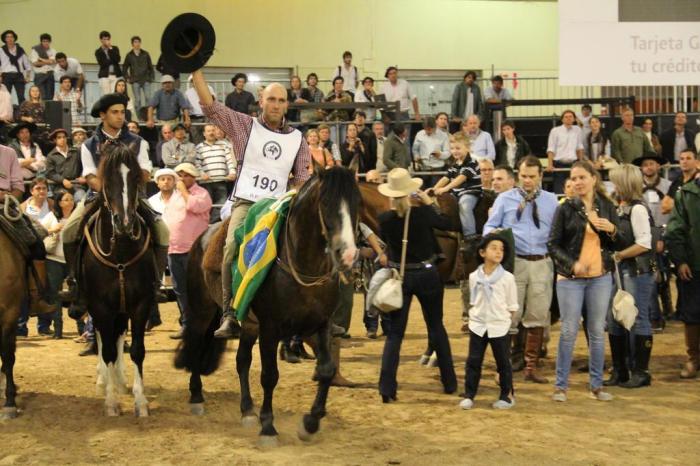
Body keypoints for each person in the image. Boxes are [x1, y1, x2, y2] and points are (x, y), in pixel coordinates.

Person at [190, 71, 311, 338]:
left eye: (281, 100)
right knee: (232, 246)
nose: (276, 105)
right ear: (261, 102)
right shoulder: (244, 125)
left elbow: (302, 179)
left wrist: (295, 198)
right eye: (271, 99)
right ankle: (230, 313)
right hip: (246, 202)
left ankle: (315, 313)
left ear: (287, 105)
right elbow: (210, 105)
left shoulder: (298, 140)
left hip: (279, 206)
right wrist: (196, 71)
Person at [58, 93, 167, 313]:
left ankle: (156, 282)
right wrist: (110, 193)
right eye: (115, 112)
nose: (120, 117)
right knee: (68, 231)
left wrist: (128, 189)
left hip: (134, 197)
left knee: (162, 231)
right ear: (102, 115)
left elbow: (145, 171)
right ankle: (75, 282)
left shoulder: (138, 142)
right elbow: (89, 176)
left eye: (122, 112)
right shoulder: (89, 144)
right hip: (97, 196)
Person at [377, 168, 457, 402]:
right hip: (427, 273)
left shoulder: (385, 220)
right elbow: (447, 222)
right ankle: (450, 382)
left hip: (401, 277)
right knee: (436, 327)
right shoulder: (422, 214)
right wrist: (429, 201)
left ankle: (386, 389)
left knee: (394, 335)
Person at [547, 160, 619, 402]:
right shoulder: (565, 208)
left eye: (581, 177)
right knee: (568, 331)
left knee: (597, 332)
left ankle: (596, 386)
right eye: (573, 178)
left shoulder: (607, 206)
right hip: (570, 280)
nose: (577, 182)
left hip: (600, 278)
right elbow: (552, 244)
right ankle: (560, 387)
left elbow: (617, 242)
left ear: (593, 179)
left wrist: (613, 230)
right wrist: (572, 264)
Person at [484, 156, 559, 383]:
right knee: (509, 315)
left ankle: (531, 367)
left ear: (540, 176)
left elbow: (558, 230)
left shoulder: (552, 200)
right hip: (514, 263)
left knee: (537, 315)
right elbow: (489, 226)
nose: (527, 180)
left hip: (543, 263)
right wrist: (493, 235)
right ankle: (504, 367)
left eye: (532, 176)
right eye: (524, 176)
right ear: (518, 175)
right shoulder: (504, 199)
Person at [605, 164, 655, 388]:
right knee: (614, 319)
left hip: (636, 271)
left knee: (637, 318)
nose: (613, 185)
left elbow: (644, 243)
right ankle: (620, 369)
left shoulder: (638, 209)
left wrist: (619, 255)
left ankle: (641, 371)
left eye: (616, 181)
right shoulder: (618, 207)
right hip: (621, 270)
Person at [460, 233, 518, 410]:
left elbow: (512, 305)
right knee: (473, 361)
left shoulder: (507, 278)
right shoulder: (473, 277)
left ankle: (506, 395)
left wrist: (504, 321)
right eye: (493, 248)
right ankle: (469, 394)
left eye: (501, 249)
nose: (498, 252)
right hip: (478, 325)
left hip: (499, 326)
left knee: (503, 362)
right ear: (482, 252)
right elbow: (473, 301)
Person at [163, 163, 212, 339]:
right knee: (180, 289)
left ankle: (204, 325)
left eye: (185, 175)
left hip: (194, 250)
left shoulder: (202, 194)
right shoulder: (174, 197)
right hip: (174, 249)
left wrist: (183, 191)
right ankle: (187, 324)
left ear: (193, 177)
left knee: (199, 289)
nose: (181, 179)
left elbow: (195, 207)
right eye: (179, 176)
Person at [665, 157, 700, 379]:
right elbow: (675, 230)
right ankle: (694, 359)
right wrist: (680, 261)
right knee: (692, 314)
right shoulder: (685, 193)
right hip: (694, 265)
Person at [431, 133, 481, 239]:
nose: (454, 151)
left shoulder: (472, 162)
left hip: (470, 192)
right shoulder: (455, 164)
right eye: (452, 148)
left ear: (467, 148)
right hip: (456, 192)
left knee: (464, 205)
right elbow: (446, 177)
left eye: (458, 148)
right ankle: (450, 229)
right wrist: (434, 188)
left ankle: (470, 236)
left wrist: (445, 188)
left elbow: (461, 178)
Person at [41, 190, 75, 339]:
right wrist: (52, 230)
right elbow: (38, 232)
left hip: (72, 260)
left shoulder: (77, 217)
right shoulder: (51, 217)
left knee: (76, 293)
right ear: (60, 203)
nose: (71, 202)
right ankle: (58, 331)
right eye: (67, 199)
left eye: (71, 199)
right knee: (55, 295)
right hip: (54, 259)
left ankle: (82, 329)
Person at [195, 123, 236, 223]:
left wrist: (232, 172)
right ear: (204, 134)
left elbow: (229, 161)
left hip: (221, 180)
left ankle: (211, 223)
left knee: (221, 205)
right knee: (206, 205)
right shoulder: (199, 147)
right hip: (206, 182)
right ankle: (206, 225)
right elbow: (197, 164)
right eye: (208, 131)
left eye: (213, 130)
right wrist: (201, 173)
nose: (211, 133)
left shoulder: (224, 145)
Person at [546, 109, 584, 194]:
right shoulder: (555, 131)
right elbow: (551, 148)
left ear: (574, 119)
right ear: (562, 119)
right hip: (559, 165)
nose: (568, 118)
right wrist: (550, 164)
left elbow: (579, 147)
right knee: (559, 190)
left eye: (571, 117)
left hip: (573, 164)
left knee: (574, 189)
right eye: (566, 117)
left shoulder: (577, 130)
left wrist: (581, 163)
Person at [44, 128, 85, 202]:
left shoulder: (76, 152)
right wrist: (62, 180)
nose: (62, 139)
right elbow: (50, 173)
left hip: (76, 185)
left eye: (64, 137)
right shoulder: (51, 155)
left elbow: (84, 166)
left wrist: (82, 176)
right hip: (59, 187)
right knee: (64, 201)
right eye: (59, 137)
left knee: (81, 200)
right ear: (54, 140)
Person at [412, 116, 449, 186]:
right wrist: (416, 157)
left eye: (430, 130)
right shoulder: (419, 134)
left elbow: (448, 152)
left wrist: (440, 154)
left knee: (434, 189)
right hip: (423, 166)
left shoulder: (443, 136)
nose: (428, 132)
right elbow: (415, 149)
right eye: (426, 130)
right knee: (422, 188)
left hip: (437, 167)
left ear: (435, 127)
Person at [122, 36, 154, 115]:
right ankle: (140, 118)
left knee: (148, 98)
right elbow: (124, 67)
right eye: (135, 42)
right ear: (132, 44)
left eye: (138, 42)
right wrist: (127, 78)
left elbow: (150, 66)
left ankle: (148, 116)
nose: (137, 44)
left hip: (146, 79)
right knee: (138, 100)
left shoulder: (146, 54)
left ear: (140, 43)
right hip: (135, 80)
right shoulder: (129, 55)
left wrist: (151, 78)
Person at [662, 148, 698, 216]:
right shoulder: (677, 182)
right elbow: (664, 208)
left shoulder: (698, 180)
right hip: (681, 224)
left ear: (696, 162)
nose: (684, 161)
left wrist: (674, 203)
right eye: (682, 159)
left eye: (688, 158)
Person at [0, 30, 31, 104]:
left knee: (21, 96)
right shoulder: (1, 50)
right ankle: (6, 114)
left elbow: (27, 64)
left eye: (11, 37)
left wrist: (28, 76)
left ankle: (23, 114)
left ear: (14, 38)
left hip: (18, 75)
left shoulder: (20, 50)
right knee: (6, 97)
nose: (10, 38)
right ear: (5, 39)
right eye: (7, 37)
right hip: (6, 75)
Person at [29, 33, 56, 100]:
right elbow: (35, 63)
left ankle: (49, 110)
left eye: (47, 41)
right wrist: (48, 61)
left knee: (50, 96)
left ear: (50, 42)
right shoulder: (35, 50)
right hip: (39, 75)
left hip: (50, 74)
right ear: (41, 42)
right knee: (40, 96)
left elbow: (53, 62)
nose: (46, 43)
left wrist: (41, 60)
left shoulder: (53, 51)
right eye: (44, 41)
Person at [95, 31, 122, 96]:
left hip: (115, 75)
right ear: (101, 40)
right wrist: (111, 60)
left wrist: (110, 48)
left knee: (115, 94)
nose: (106, 41)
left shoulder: (114, 48)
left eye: (108, 39)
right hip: (104, 76)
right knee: (106, 96)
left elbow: (117, 59)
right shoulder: (98, 51)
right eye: (104, 39)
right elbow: (102, 63)